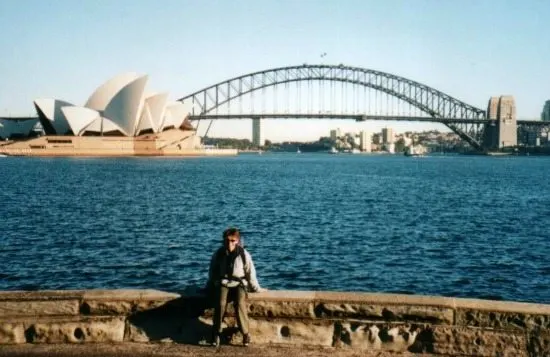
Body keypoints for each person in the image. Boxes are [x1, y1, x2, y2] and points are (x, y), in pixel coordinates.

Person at [207, 227, 264, 347]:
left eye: (232, 241)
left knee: (240, 303)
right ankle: (216, 332)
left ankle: (245, 333)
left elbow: (250, 273)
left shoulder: (243, 254)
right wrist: (211, 285)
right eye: (227, 241)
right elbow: (212, 272)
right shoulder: (218, 254)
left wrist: (256, 288)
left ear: (237, 241)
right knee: (221, 303)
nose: (229, 243)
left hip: (239, 284)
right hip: (224, 283)